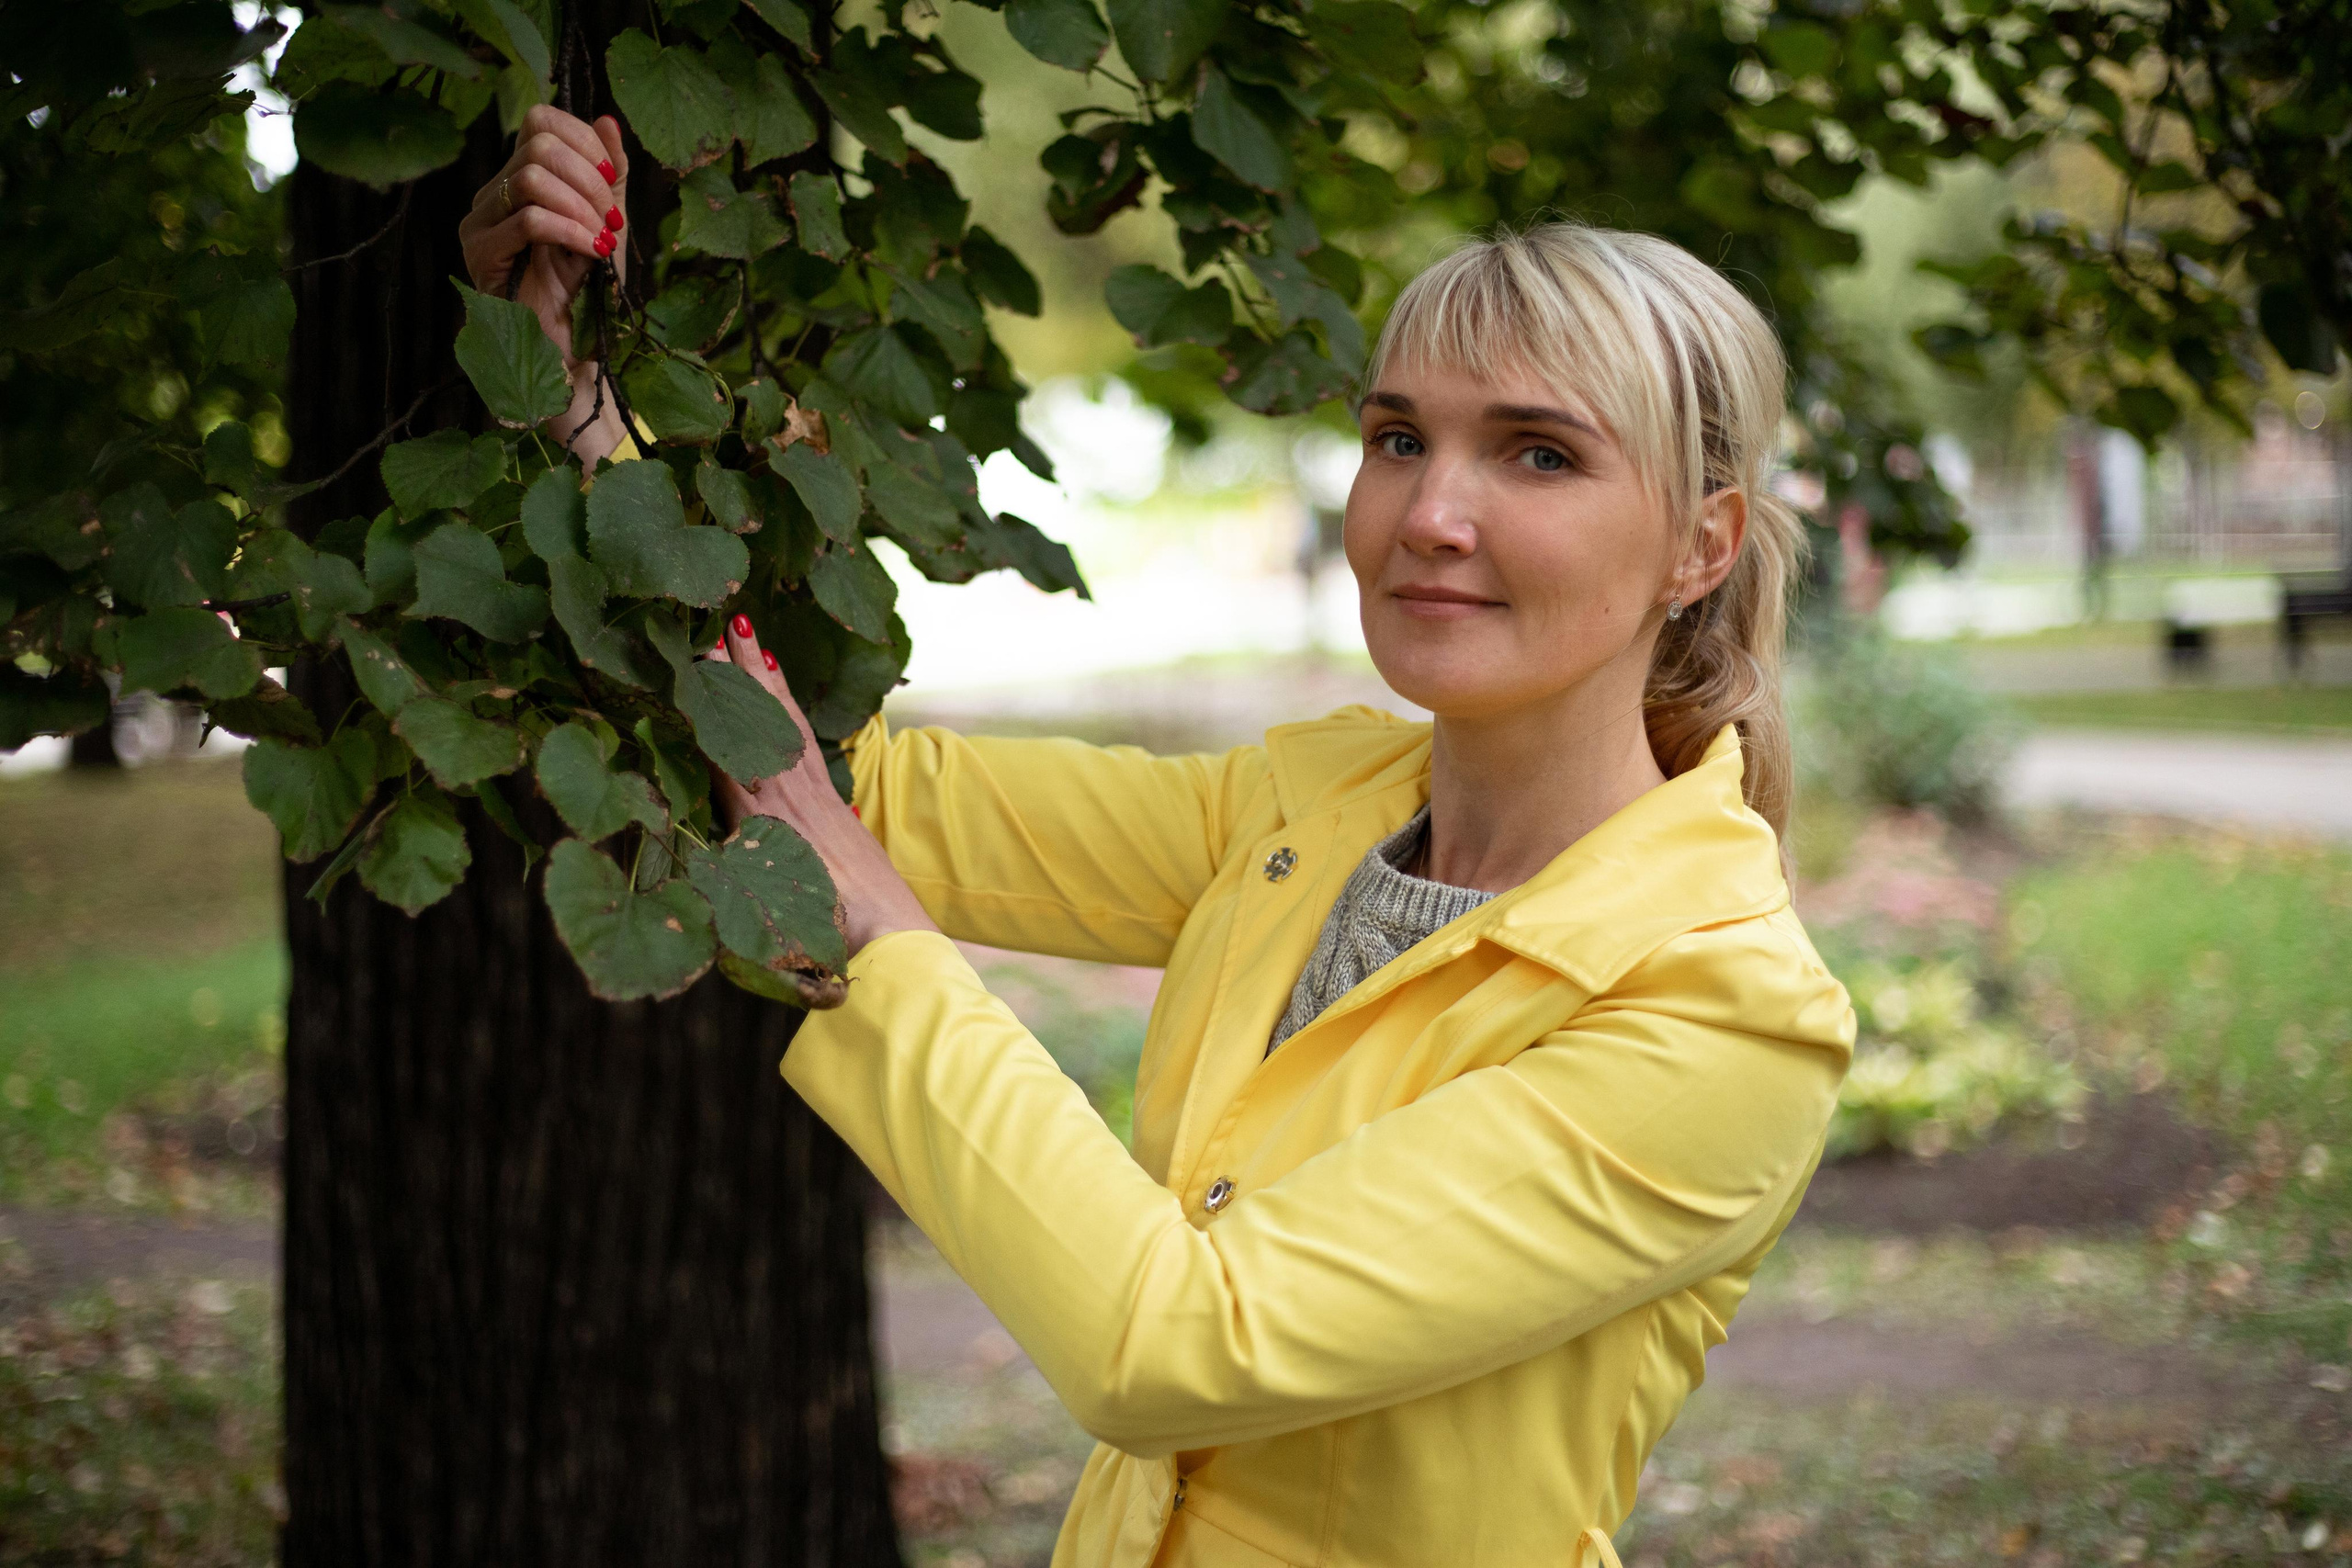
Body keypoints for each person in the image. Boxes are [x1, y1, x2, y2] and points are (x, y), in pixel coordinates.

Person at [466, 109, 1854, 1568]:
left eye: (1539, 455)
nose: (1430, 512)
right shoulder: (1302, 815)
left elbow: (1175, 1346)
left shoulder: (1723, 1010)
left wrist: (883, 948)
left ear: (1704, 544)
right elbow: (821, 783)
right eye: (1398, 438)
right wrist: (572, 405)